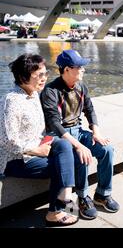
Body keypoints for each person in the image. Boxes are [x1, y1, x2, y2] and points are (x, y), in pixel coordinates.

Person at [40, 49, 120, 220]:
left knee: (107, 150)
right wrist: (79, 145)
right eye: (80, 66)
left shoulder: (81, 86)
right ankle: (83, 196)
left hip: (78, 130)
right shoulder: (50, 91)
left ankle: (102, 194)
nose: (84, 70)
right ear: (67, 69)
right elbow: (54, 124)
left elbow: (90, 110)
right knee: (81, 155)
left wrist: (96, 132)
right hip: (59, 137)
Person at [0, 54, 78, 226]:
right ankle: (54, 212)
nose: (44, 79)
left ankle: (66, 196)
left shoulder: (34, 93)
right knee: (61, 165)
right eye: (39, 75)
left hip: (39, 145)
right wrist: (36, 150)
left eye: (45, 74)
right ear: (22, 77)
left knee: (65, 145)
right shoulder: (12, 101)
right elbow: (7, 140)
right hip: (17, 159)